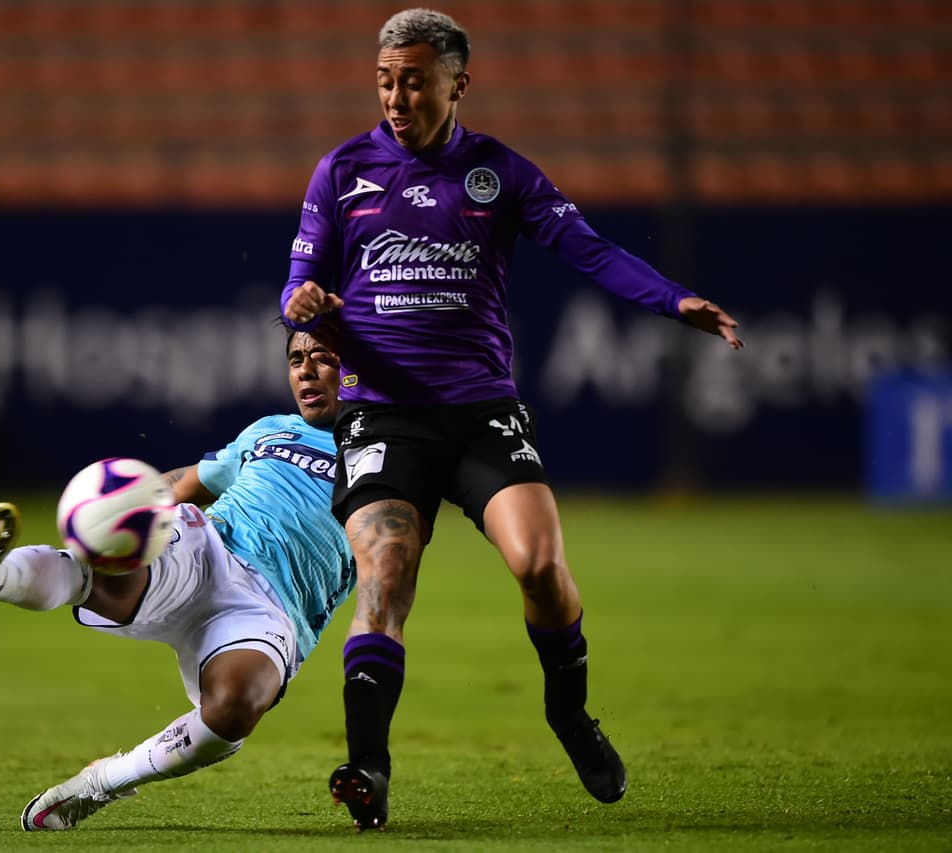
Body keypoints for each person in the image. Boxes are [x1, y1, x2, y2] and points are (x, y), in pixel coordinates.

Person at [281, 8, 745, 832]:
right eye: (386, 79)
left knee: (538, 564)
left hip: (482, 411)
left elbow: (591, 249)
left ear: (459, 82)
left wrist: (674, 300)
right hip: (382, 413)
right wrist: (303, 301)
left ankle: (569, 714)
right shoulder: (342, 170)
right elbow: (300, 277)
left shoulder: (500, 175)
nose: (397, 96)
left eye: (415, 80)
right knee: (386, 571)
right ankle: (369, 770)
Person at [0, 326, 354, 832]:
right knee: (105, 577)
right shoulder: (271, 431)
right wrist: (129, 505)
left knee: (235, 708)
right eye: (294, 359)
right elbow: (191, 481)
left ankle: (101, 781)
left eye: (322, 357)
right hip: (210, 548)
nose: (304, 369)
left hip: (272, 609)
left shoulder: (395, 458)